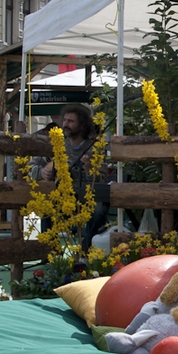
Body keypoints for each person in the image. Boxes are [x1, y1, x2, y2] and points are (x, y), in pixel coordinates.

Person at [31, 104, 108, 249]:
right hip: (61, 196)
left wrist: (89, 168)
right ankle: (51, 252)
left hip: (86, 198)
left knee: (98, 212)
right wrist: (41, 172)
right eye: (65, 120)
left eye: (71, 121)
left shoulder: (95, 148)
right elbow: (32, 166)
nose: (66, 124)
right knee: (47, 207)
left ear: (82, 125)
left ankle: (85, 251)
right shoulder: (56, 144)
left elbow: (102, 179)